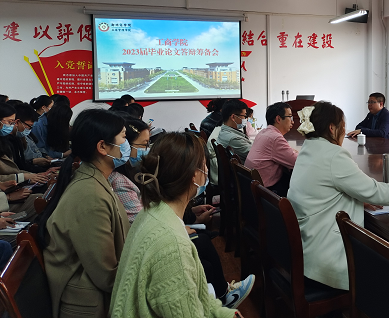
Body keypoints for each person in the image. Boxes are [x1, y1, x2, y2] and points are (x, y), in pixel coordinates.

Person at [108, 129, 254, 309]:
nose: (207, 171)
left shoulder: (152, 211)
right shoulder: (173, 245)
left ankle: (223, 296)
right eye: (204, 165)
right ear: (194, 175)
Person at [287, 101, 389, 290]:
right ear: (332, 128)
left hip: (307, 248)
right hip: (327, 256)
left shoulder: (309, 147)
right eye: (342, 127)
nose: (343, 131)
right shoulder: (334, 155)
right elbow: (373, 191)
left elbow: (324, 190)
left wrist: (357, 200)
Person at [39, 109, 130, 318]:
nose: (127, 145)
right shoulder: (90, 195)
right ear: (102, 146)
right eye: (124, 137)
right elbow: (106, 274)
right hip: (89, 304)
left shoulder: (93, 179)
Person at [245, 102, 298, 196]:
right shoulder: (275, 138)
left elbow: (286, 152)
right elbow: (297, 162)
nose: (292, 121)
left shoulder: (264, 132)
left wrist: (292, 151)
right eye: (290, 117)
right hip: (265, 192)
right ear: (278, 119)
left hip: (252, 186)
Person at [14, 103, 53, 172]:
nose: (30, 129)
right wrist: (33, 162)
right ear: (17, 122)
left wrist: (44, 157)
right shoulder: (11, 139)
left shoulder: (24, 136)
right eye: (29, 126)